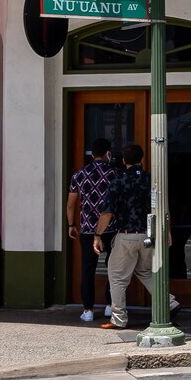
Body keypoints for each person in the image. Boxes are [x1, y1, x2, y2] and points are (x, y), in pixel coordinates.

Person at [96, 143, 178, 330]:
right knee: (146, 272)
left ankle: (118, 319)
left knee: (116, 277)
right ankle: (170, 303)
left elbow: (107, 213)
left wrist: (97, 235)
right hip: (149, 235)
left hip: (126, 236)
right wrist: (167, 232)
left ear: (123, 161)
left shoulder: (119, 181)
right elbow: (164, 208)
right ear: (142, 159)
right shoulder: (152, 180)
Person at [65, 138, 117, 322]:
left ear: (92, 153)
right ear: (108, 153)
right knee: (113, 267)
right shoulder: (115, 173)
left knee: (88, 269)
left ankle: (87, 309)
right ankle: (111, 306)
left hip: (87, 228)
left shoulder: (79, 175)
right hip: (111, 227)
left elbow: (71, 204)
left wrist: (71, 225)